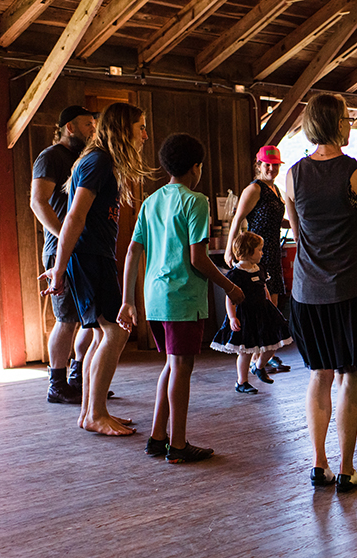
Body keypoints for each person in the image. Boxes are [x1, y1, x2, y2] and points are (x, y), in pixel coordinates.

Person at [283, 93, 357, 492]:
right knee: (350, 377)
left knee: (319, 374)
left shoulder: (291, 175)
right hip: (351, 290)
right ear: (338, 122)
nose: (350, 122)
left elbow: (298, 234)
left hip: (307, 293)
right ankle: (347, 469)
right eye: (347, 117)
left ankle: (319, 464)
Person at [119, 133, 244, 462]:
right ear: (196, 167)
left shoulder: (151, 201)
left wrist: (127, 299)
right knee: (182, 368)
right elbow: (198, 259)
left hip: (154, 297)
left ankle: (157, 438)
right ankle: (178, 444)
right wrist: (230, 286)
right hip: (182, 297)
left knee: (171, 366)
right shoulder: (196, 201)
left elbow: (133, 250)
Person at [40, 102, 154, 436]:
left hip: (95, 255)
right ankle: (95, 413)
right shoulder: (98, 161)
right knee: (115, 331)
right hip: (86, 255)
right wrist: (59, 268)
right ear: (123, 128)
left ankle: (92, 410)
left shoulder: (103, 161)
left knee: (105, 332)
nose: (145, 134)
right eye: (140, 127)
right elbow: (73, 217)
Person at [30, 105, 96, 404]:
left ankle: (78, 378)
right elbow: (38, 202)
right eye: (86, 125)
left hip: (87, 249)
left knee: (91, 320)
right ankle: (56, 384)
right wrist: (65, 237)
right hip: (61, 251)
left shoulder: (84, 158)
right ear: (69, 127)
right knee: (67, 318)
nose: (92, 129)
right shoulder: (50, 157)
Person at [224, 145, 290, 373]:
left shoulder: (276, 190)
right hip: (255, 253)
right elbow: (238, 218)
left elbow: (276, 220)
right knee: (260, 307)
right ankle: (255, 360)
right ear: (259, 165)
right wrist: (229, 249)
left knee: (271, 307)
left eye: (275, 165)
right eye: (267, 164)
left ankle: (264, 356)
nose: (271, 168)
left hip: (272, 251)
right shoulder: (254, 188)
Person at [211, 231, 294, 392]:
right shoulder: (236, 274)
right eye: (259, 250)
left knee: (273, 344)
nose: (262, 253)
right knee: (245, 351)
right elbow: (230, 297)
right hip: (246, 314)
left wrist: (270, 304)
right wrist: (232, 317)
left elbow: (264, 288)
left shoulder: (260, 268)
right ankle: (242, 382)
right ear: (248, 251)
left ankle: (259, 366)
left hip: (263, 311)